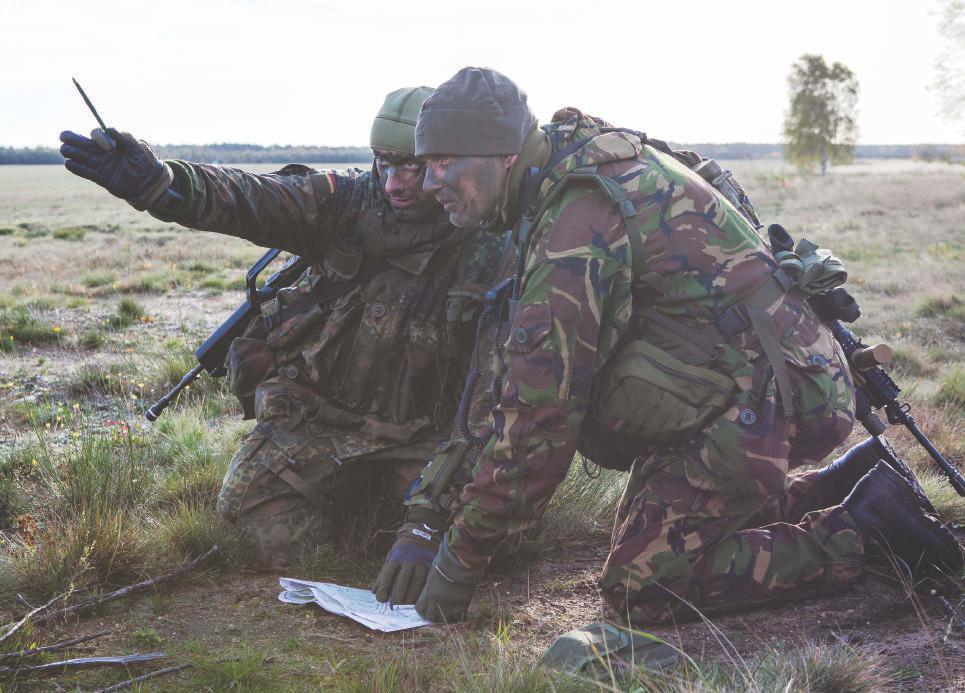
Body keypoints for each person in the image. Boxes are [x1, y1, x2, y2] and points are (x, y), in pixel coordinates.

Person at [373, 67, 963, 623]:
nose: (430, 184)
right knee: (643, 532)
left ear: (500, 155)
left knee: (641, 584)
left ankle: (867, 528)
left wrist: (460, 560)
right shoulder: (569, 169)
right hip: (757, 383)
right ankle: (847, 481)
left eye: (443, 163)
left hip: (772, 397)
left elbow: (539, 416)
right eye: (425, 165)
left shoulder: (573, 226)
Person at [59, 87, 510, 566]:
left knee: (482, 543)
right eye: (383, 162)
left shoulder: (486, 240)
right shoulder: (345, 200)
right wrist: (164, 183)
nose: (394, 182)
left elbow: (494, 393)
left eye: (412, 167)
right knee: (252, 518)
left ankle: (388, 514)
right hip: (323, 420)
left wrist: (434, 515)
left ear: (444, 162)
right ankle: (361, 517)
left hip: (429, 436)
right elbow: (253, 197)